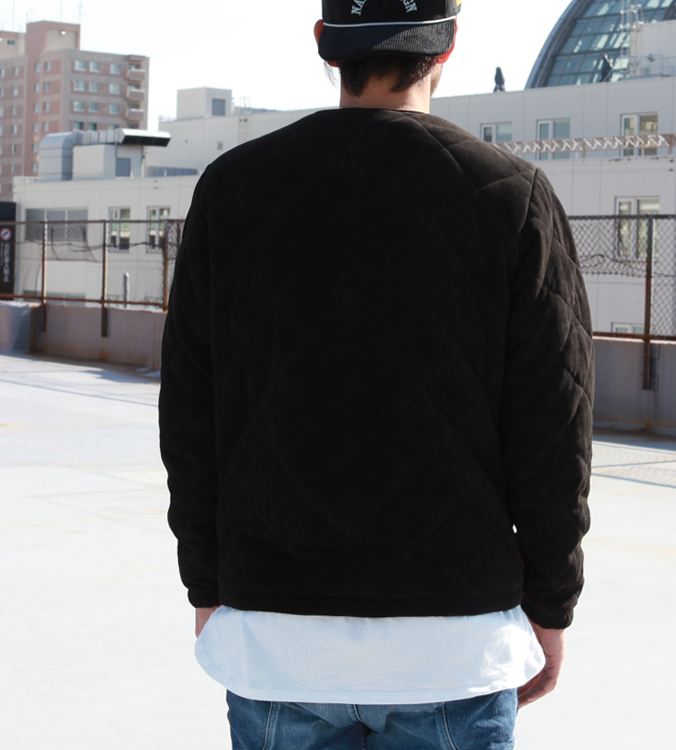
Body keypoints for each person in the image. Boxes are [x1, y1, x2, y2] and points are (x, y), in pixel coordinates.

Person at [159, 1, 594, 747]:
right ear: (448, 42)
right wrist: (552, 605)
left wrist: (207, 584)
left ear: (326, 45)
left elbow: (190, 420)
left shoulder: (231, 189)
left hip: (275, 638)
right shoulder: (512, 196)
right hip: (455, 646)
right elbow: (555, 432)